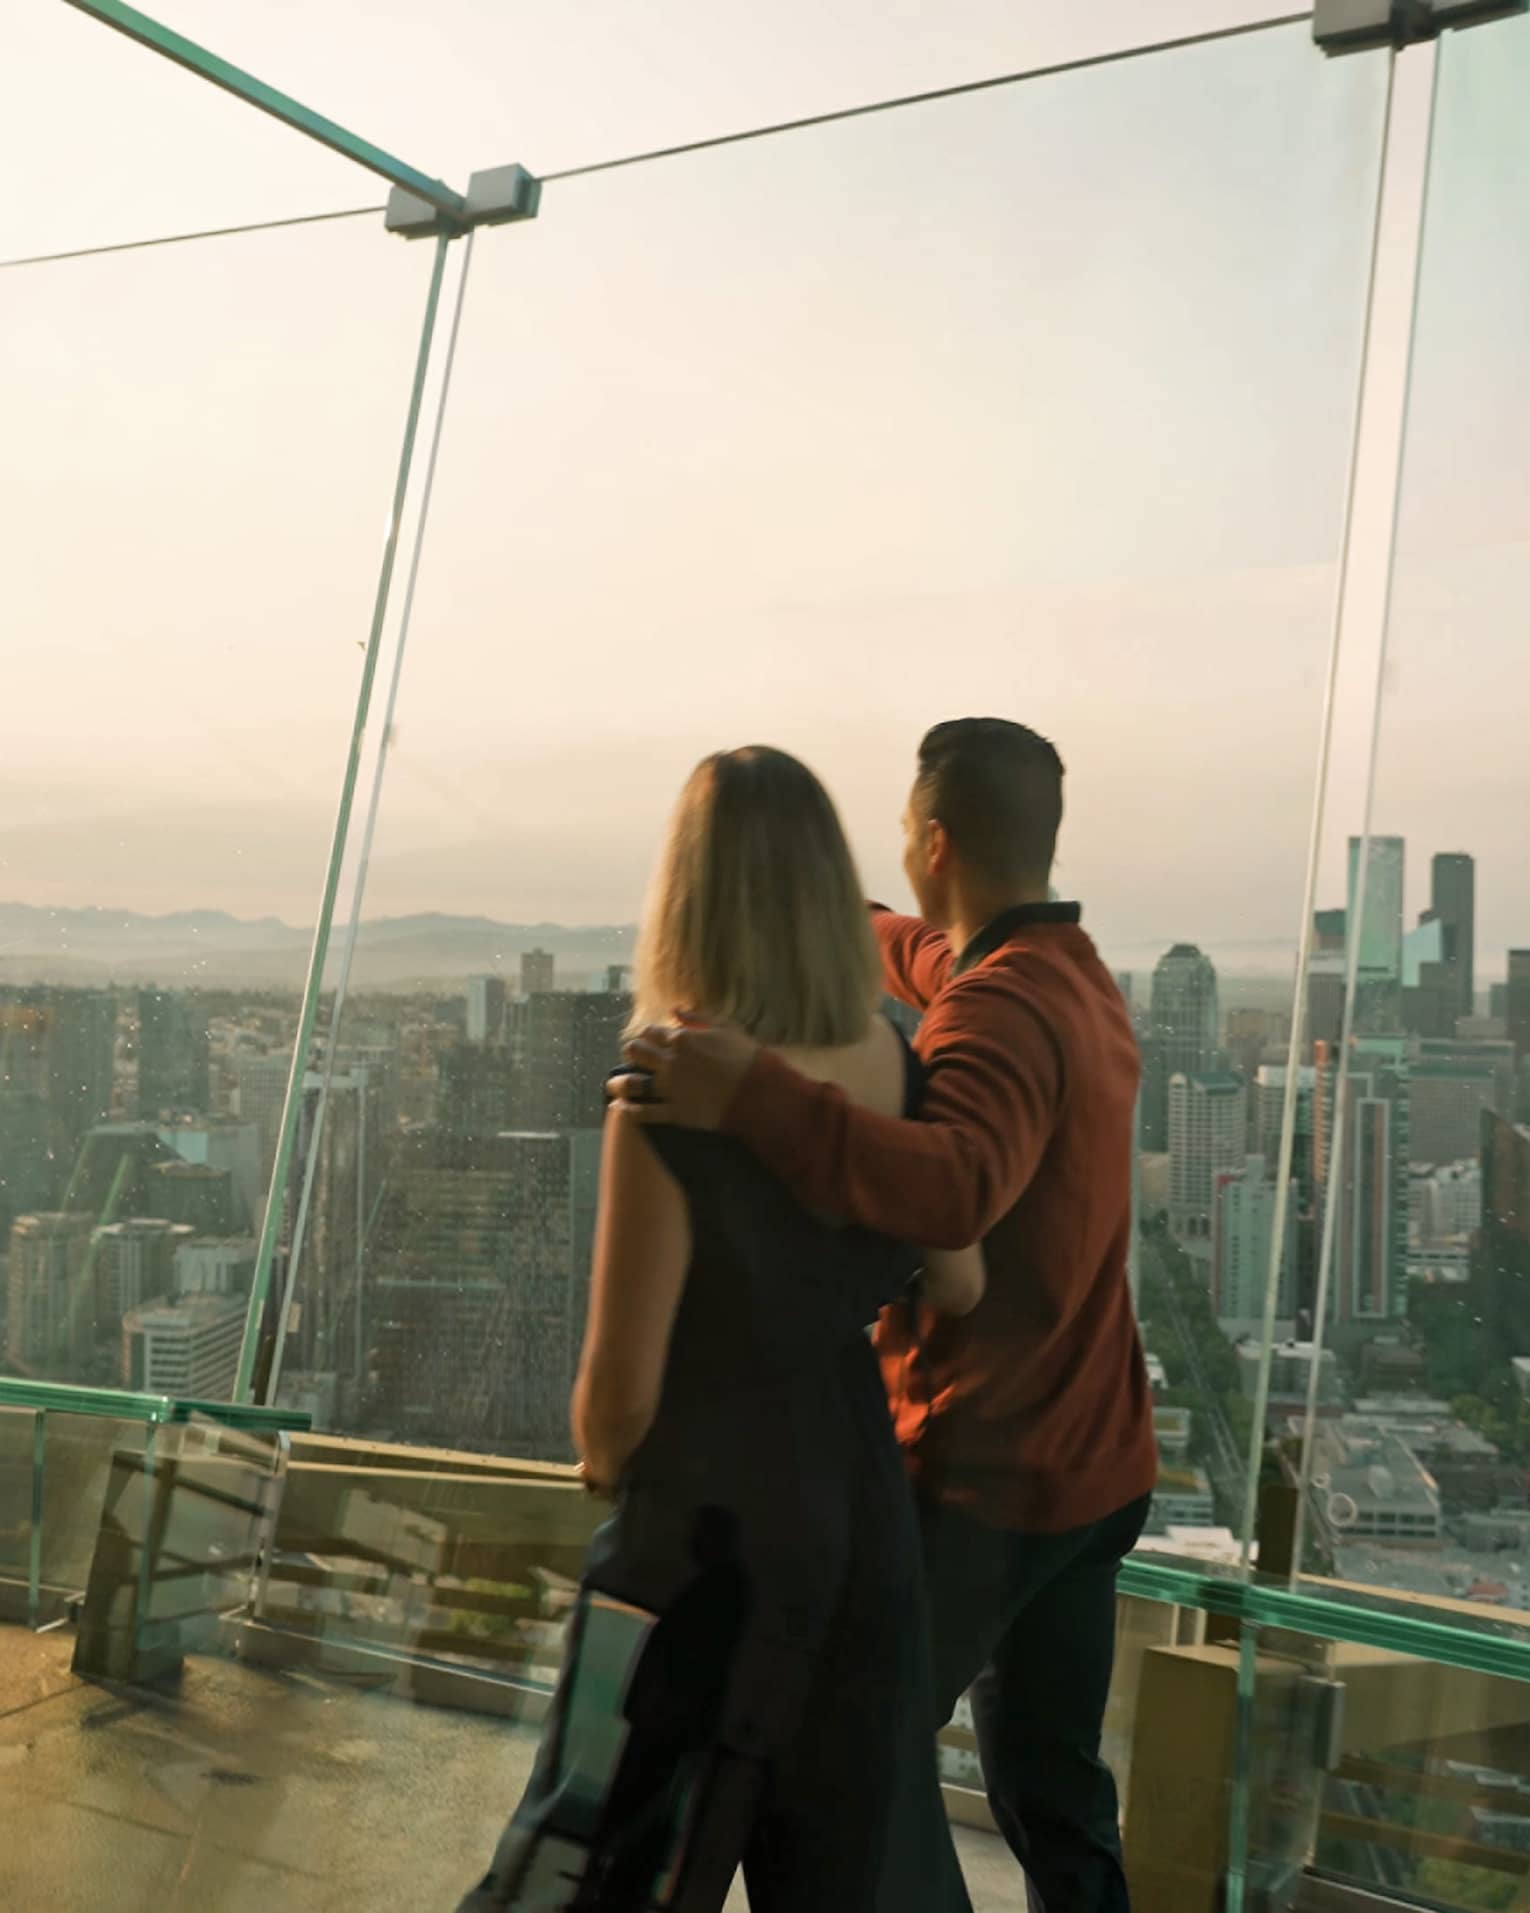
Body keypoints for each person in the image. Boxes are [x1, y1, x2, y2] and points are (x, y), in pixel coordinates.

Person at [616, 718, 1158, 1913]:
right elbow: (921, 952)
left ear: (933, 837)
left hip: (993, 1474)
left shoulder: (997, 1011)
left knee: (849, 1786)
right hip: (1095, 1462)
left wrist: (748, 1086)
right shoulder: (1065, 971)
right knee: (1053, 1789)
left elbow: (953, 1187)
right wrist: (819, 910)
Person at [459, 745, 983, 1913]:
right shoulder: (894, 1063)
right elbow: (959, 1272)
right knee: (847, 1863)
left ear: (685, 894)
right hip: (855, 1505)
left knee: (595, 1853)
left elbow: (622, 1388)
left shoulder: (664, 1091)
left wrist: (603, 1463)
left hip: (702, 1530)